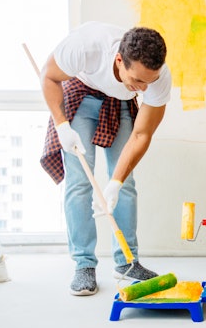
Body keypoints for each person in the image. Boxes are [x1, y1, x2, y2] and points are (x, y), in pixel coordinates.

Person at [39, 21, 172, 296]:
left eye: (150, 82)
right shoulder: (86, 45)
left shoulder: (157, 78)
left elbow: (142, 135)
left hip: (119, 103)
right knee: (80, 182)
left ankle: (127, 263)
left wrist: (115, 182)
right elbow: (49, 76)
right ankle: (84, 265)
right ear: (119, 60)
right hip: (81, 93)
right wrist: (63, 125)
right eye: (138, 81)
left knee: (125, 185)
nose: (145, 89)